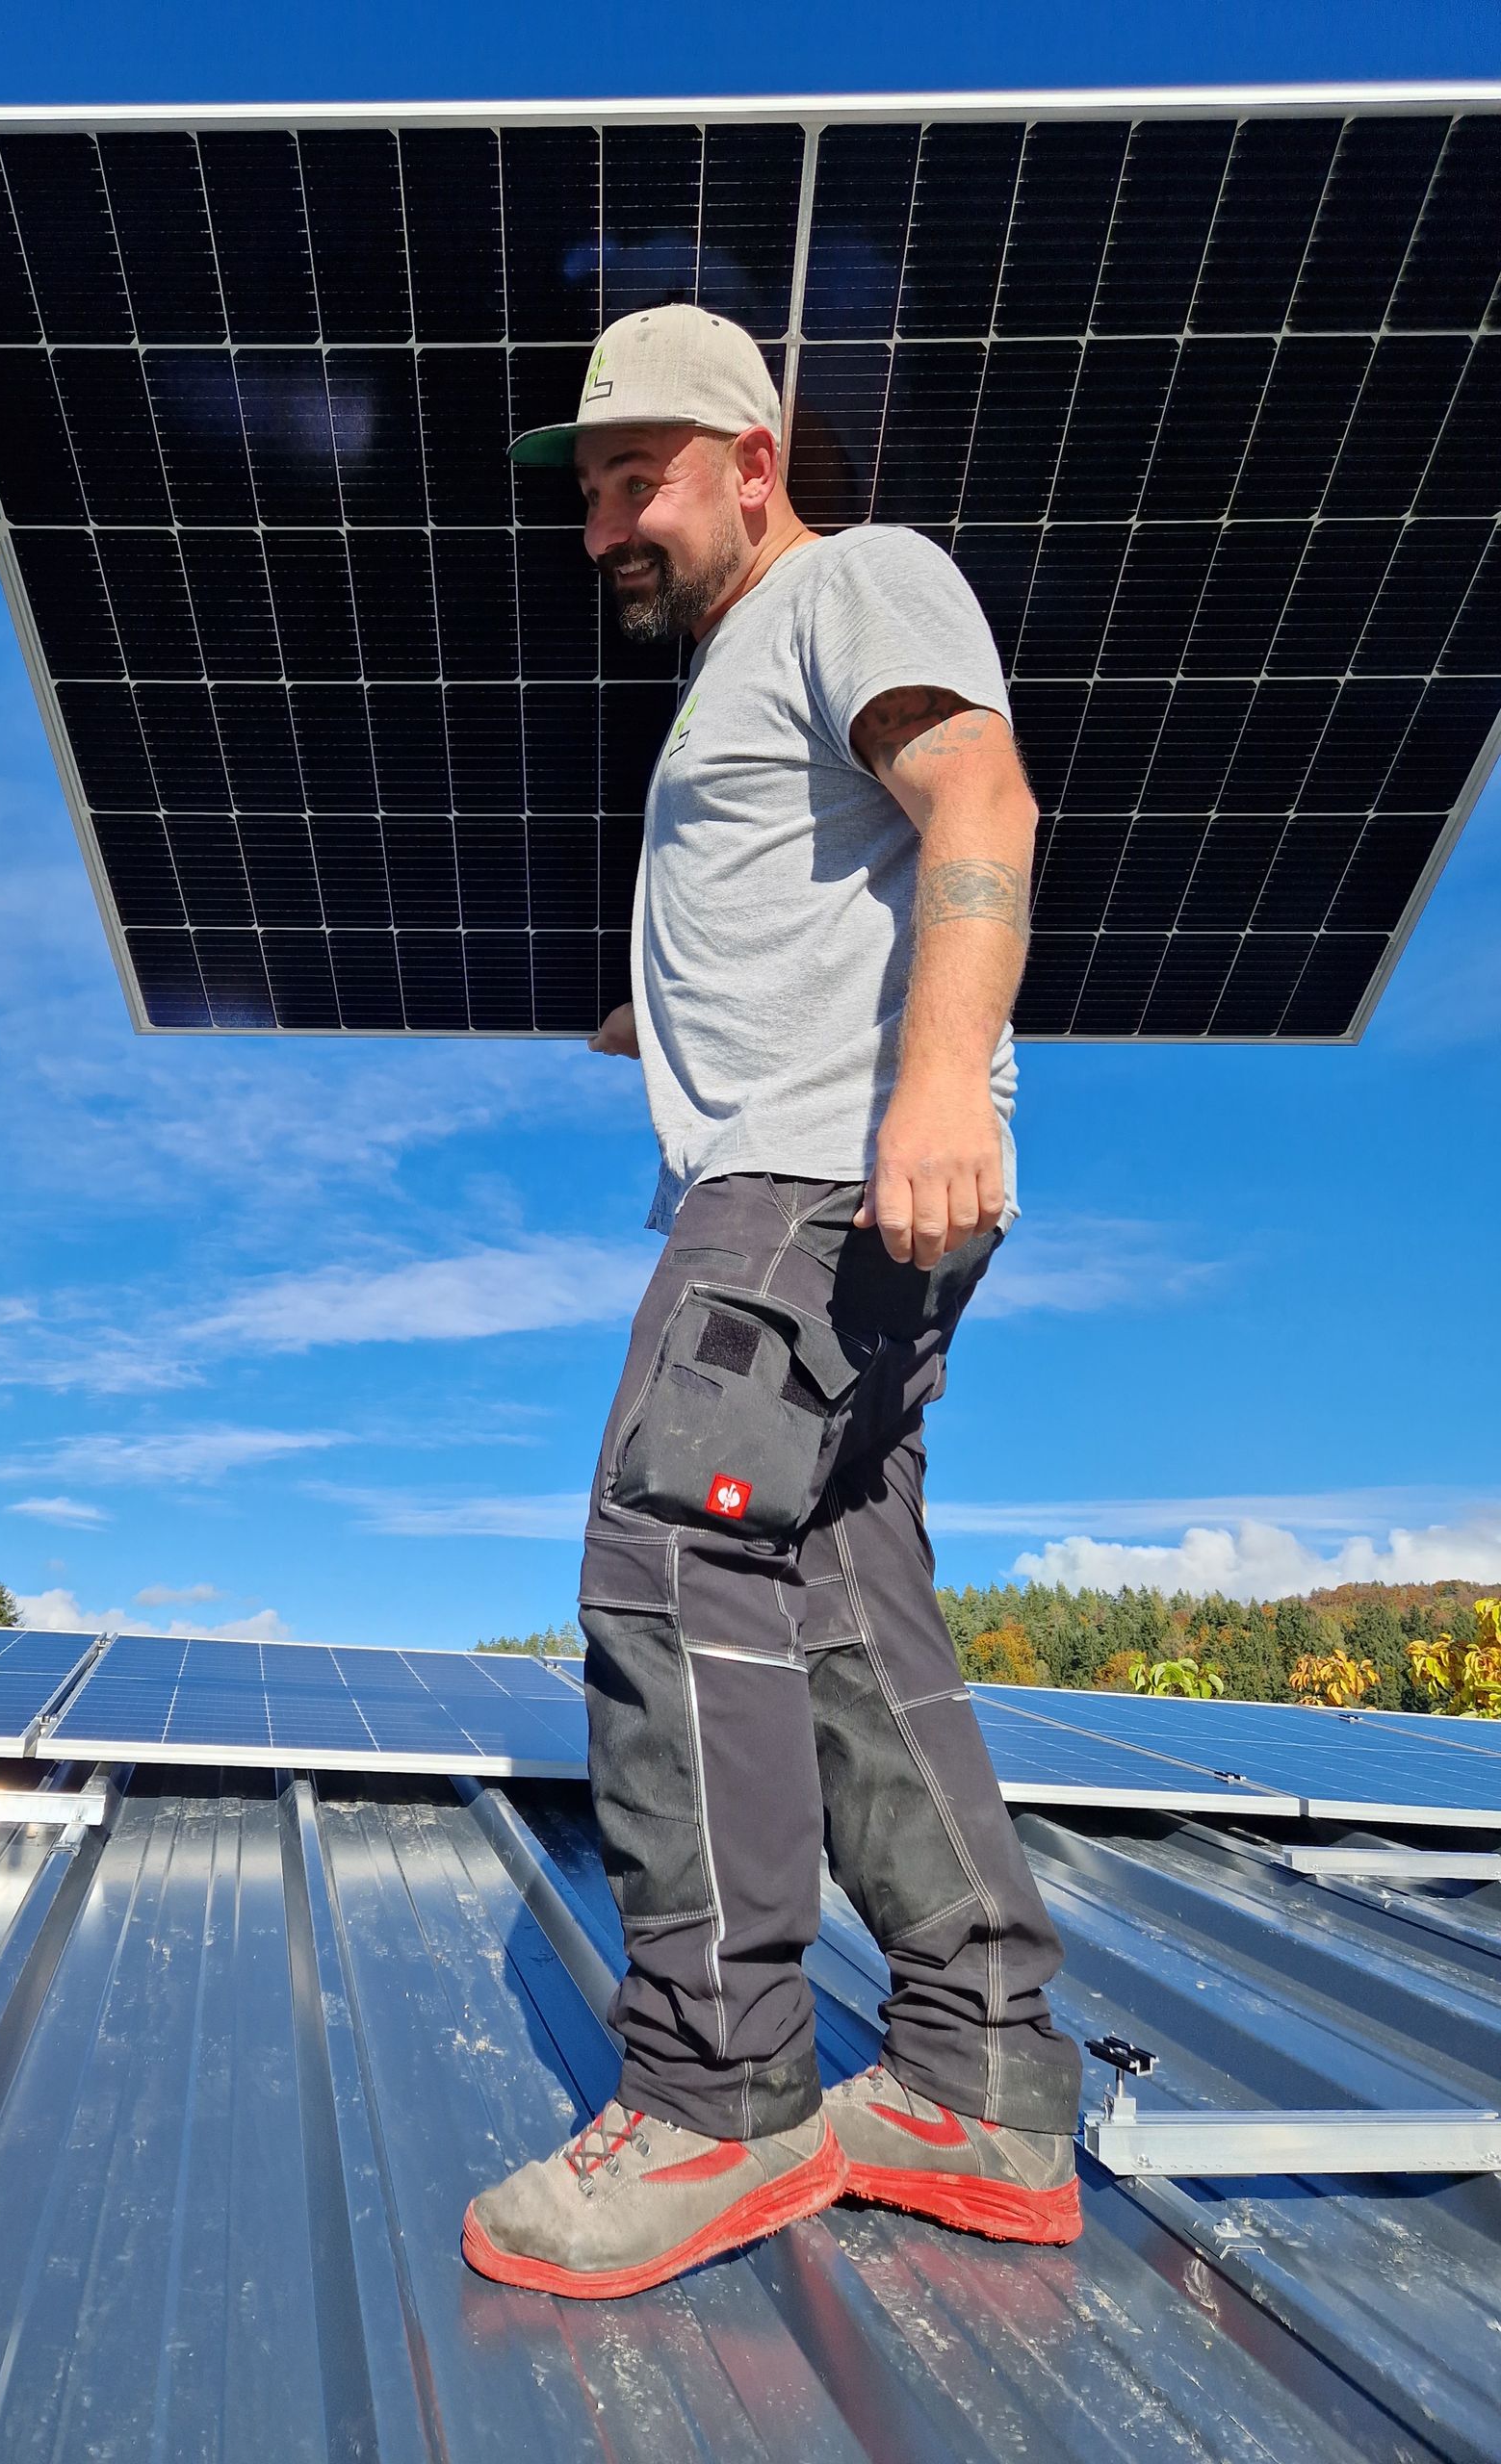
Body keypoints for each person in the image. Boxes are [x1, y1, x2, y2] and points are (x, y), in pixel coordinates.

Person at [461, 305, 1083, 2300]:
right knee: (840, 1606)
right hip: (830, 1179)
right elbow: (819, 895)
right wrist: (658, 1010)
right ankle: (983, 2086)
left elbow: (980, 802)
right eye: (586, 492)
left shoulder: (854, 582)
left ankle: (719, 2099)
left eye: (634, 479)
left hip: (814, 1185)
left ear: (752, 460)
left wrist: (931, 1083)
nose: (601, 526)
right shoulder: (738, 674)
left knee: (670, 1554)